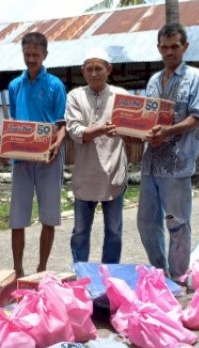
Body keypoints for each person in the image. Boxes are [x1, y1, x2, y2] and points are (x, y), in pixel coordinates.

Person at [137, 23, 199, 281]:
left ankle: (178, 276)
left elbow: (197, 117)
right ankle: (159, 272)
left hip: (177, 162)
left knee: (177, 223)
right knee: (146, 223)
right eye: (164, 47)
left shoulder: (195, 77)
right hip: (151, 162)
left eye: (174, 46)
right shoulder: (154, 80)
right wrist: (139, 131)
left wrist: (167, 131)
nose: (169, 52)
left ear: (184, 47)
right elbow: (146, 118)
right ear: (158, 48)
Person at [7, 31, 67, 277]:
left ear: (45, 55)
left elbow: (62, 125)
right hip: (21, 159)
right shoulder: (14, 86)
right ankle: (18, 270)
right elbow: (14, 122)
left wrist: (57, 144)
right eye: (27, 54)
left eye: (36, 54)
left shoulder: (55, 85)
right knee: (17, 217)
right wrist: (10, 143)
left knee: (49, 216)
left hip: (48, 158)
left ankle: (42, 268)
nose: (31, 59)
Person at [64, 47, 128, 264]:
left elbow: (135, 130)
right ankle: (80, 272)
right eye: (89, 69)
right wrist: (101, 129)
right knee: (80, 232)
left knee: (114, 232)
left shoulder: (123, 96)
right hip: (86, 175)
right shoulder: (75, 96)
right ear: (83, 71)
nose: (93, 73)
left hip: (114, 174)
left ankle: (109, 276)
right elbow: (75, 132)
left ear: (108, 69)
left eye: (98, 68)